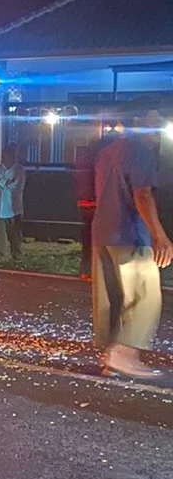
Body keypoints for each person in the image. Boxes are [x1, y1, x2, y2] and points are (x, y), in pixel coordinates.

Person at [91, 102, 172, 378]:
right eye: (155, 116)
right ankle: (124, 354)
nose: (160, 123)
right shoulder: (141, 151)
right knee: (143, 297)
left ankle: (109, 358)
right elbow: (143, 195)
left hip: (102, 233)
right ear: (139, 119)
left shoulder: (107, 152)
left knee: (111, 298)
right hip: (130, 235)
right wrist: (160, 236)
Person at [74, 130, 118, 279]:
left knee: (88, 236)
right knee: (105, 237)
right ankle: (100, 270)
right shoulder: (109, 159)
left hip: (86, 203)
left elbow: (80, 179)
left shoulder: (88, 157)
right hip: (100, 204)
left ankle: (87, 270)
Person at [0, 144, 26, 260]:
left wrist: (0, 182)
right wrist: (7, 183)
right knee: (0, 234)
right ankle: (0, 255)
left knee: (15, 233)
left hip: (14, 207)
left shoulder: (19, 169)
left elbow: (17, 186)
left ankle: (17, 255)